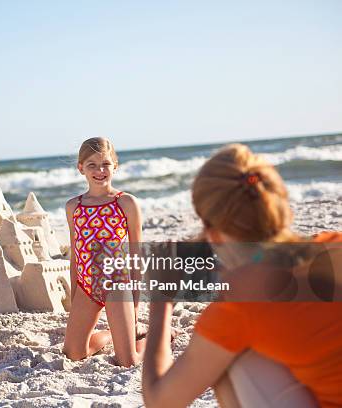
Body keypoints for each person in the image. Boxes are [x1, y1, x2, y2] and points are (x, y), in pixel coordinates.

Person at [142, 144, 342, 407]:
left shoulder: (241, 301)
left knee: (232, 360)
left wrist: (160, 301)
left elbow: (160, 401)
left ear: (211, 230)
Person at [63, 137, 145, 367]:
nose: (100, 170)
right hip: (87, 287)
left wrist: (136, 304)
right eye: (92, 165)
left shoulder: (126, 202)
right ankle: (112, 334)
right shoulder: (73, 207)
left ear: (115, 166)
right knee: (73, 354)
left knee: (128, 361)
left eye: (106, 164)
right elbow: (75, 256)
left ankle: (159, 336)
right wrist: (75, 298)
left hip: (118, 286)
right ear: (81, 168)